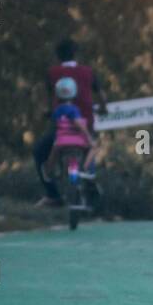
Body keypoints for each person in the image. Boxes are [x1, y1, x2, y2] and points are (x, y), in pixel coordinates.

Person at [33, 39, 108, 206]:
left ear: (57, 56)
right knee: (90, 144)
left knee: (39, 151)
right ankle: (90, 176)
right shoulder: (89, 72)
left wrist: (47, 112)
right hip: (86, 124)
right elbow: (102, 96)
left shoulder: (52, 73)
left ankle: (52, 194)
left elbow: (47, 99)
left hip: (61, 128)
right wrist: (103, 109)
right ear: (76, 54)